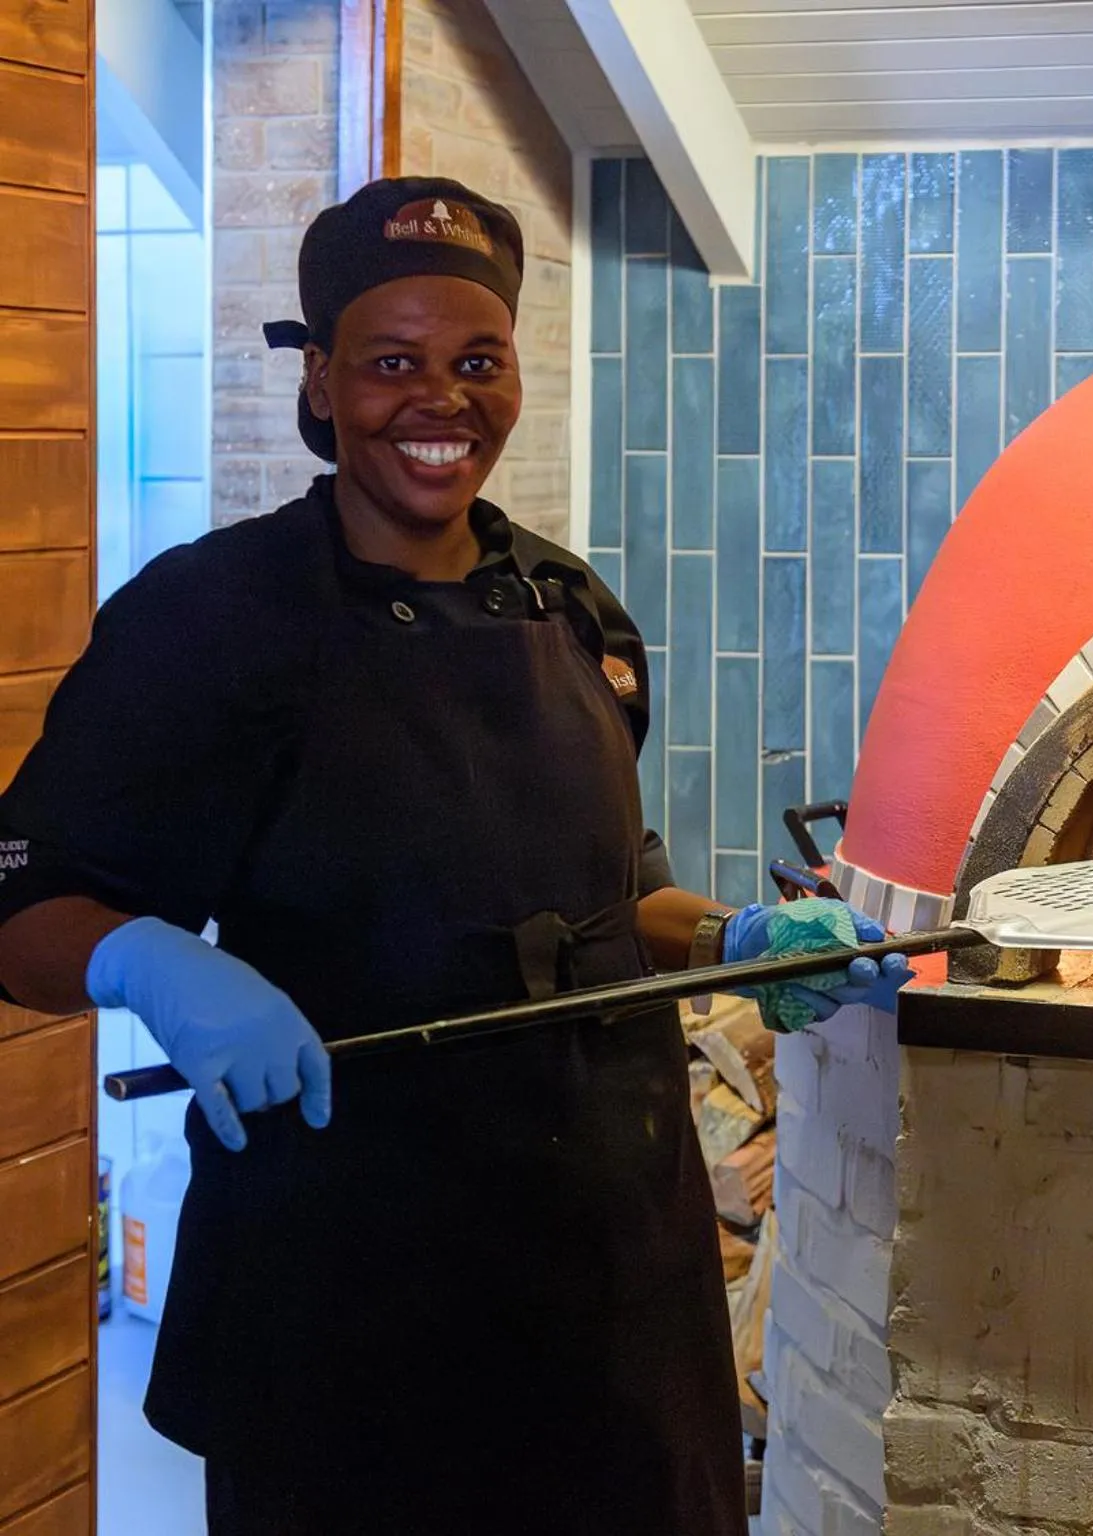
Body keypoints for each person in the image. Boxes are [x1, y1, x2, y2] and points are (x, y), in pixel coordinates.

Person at [0, 177, 909, 1534]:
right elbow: (22, 904)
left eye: (477, 363)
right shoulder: (211, 620)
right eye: (392, 364)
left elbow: (613, 893)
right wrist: (150, 964)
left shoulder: (566, 603)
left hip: (613, 1262)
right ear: (321, 382)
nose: (441, 402)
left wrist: (727, 939)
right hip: (350, 1277)